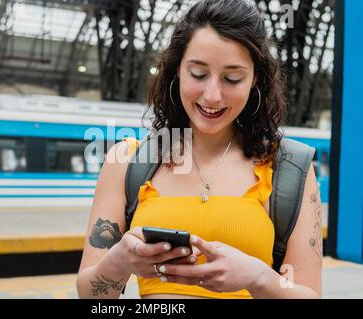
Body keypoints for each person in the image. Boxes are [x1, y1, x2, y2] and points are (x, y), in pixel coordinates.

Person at [76, 0, 322, 299]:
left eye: (232, 78)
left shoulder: (289, 167)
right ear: (177, 69)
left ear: (255, 78)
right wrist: (118, 262)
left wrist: (259, 277)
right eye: (198, 74)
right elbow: (93, 298)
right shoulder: (125, 160)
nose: (213, 95)